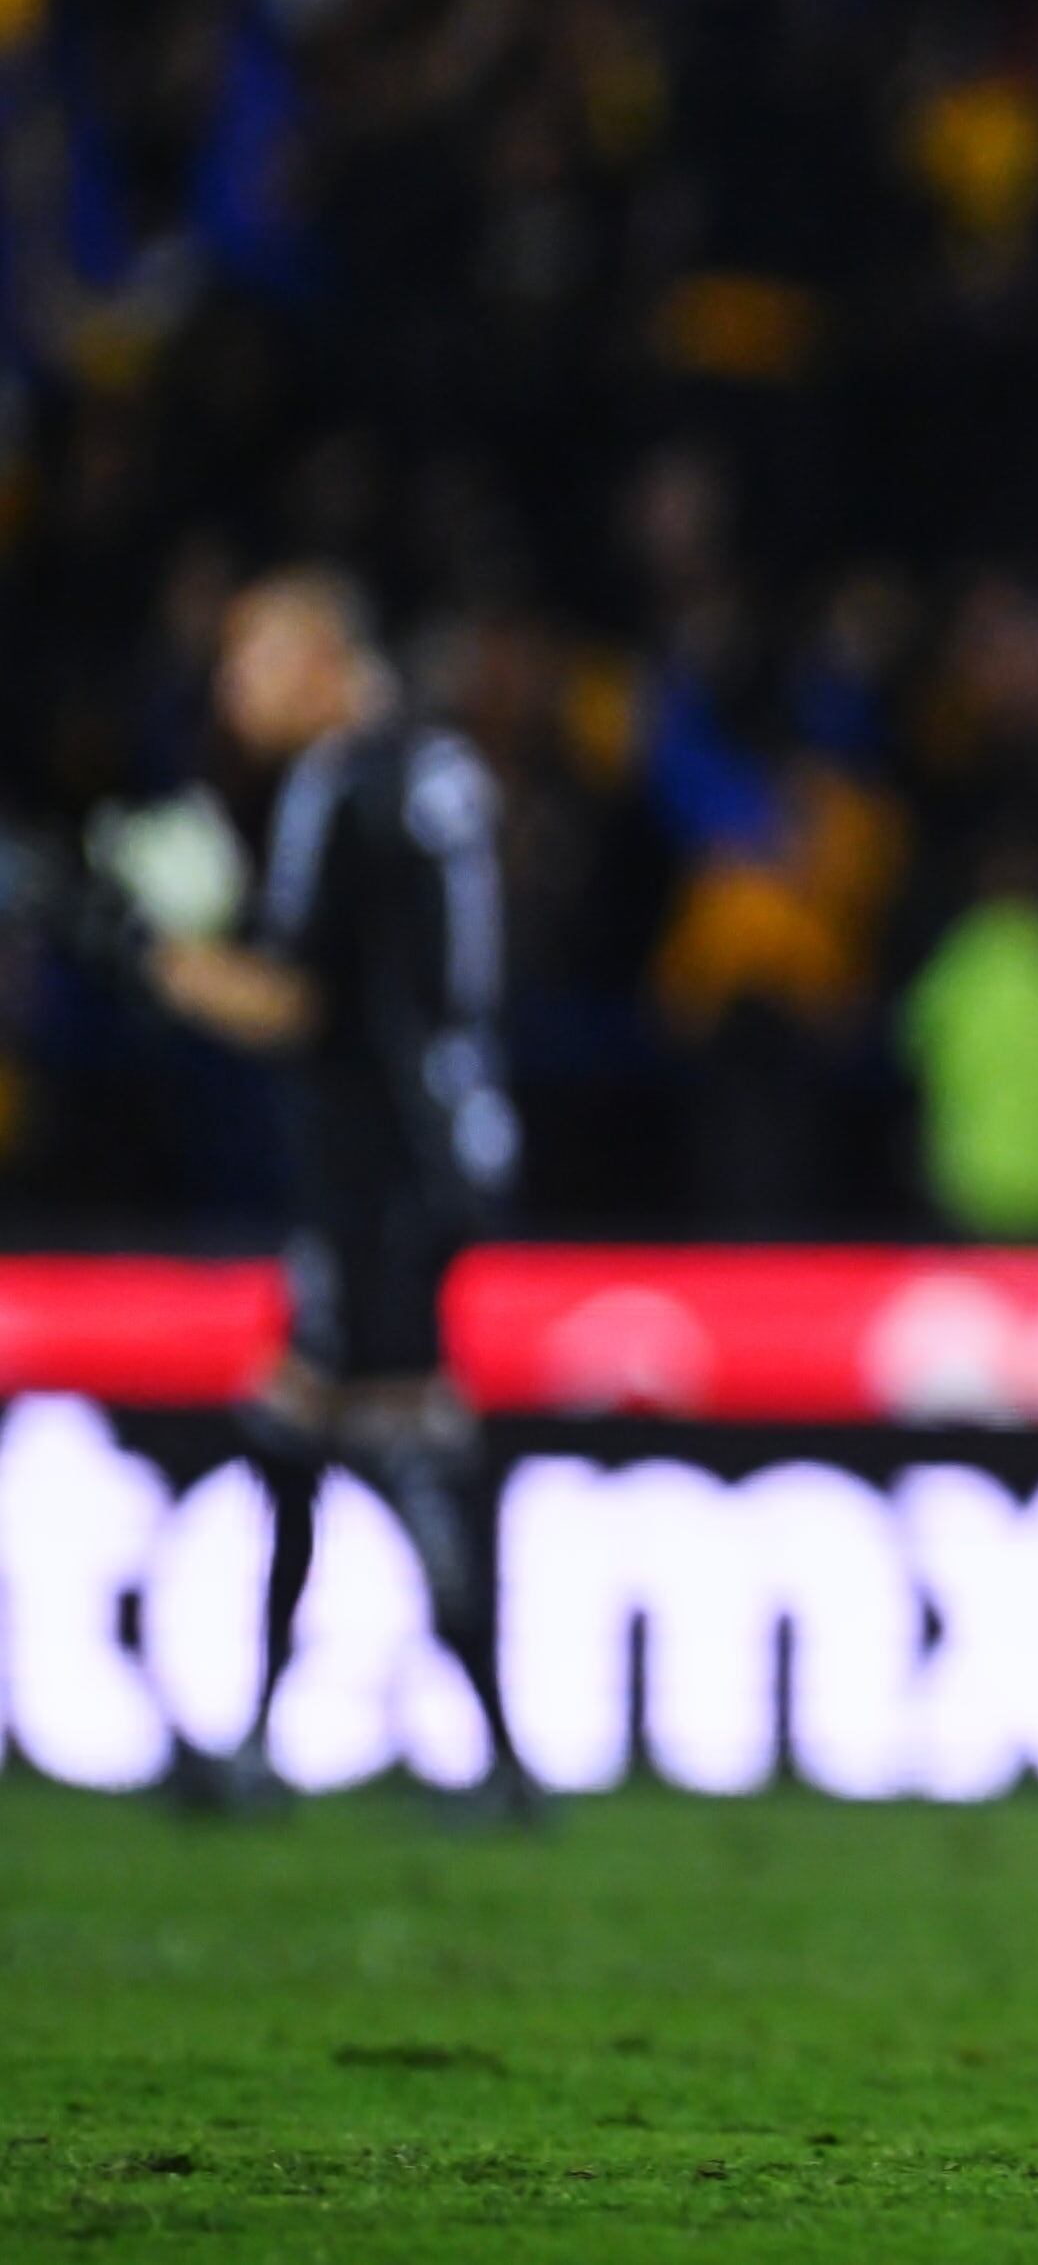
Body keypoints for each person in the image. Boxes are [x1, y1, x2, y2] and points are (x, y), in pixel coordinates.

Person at [143, 569, 536, 1821]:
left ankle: (502, 1762)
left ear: (321, 660)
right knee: (294, 1432)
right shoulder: (439, 768)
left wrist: (153, 961)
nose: (233, 689)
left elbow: (297, 1003)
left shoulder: (337, 782)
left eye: (252, 660)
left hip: (378, 1167)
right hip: (448, 1137)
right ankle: (264, 1742)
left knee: (402, 1437)